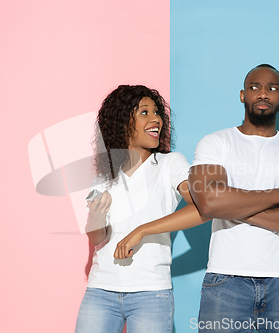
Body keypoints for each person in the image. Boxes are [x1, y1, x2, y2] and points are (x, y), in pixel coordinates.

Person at [115, 65, 279, 333]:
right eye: (255, 88)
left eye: (272, 89)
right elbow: (208, 203)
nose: (263, 94)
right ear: (242, 95)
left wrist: (230, 206)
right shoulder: (216, 143)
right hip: (226, 281)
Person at [75, 85, 207, 333]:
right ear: (123, 122)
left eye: (156, 112)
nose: (156, 118)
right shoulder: (105, 175)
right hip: (100, 290)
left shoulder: (170, 164)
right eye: (144, 112)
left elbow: (203, 207)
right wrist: (96, 215)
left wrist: (142, 230)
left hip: (151, 293)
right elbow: (98, 238)